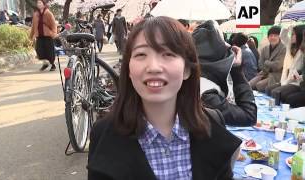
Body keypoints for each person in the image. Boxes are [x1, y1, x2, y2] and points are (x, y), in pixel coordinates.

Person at [87, 16, 241, 180]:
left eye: (168, 53)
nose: (153, 67)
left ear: (187, 70)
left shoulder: (213, 124)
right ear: (129, 70)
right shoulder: (103, 134)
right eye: (141, 54)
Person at [192, 20, 257, 127]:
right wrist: (237, 71)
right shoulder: (205, 92)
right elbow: (249, 116)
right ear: (211, 51)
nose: (227, 45)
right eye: (222, 41)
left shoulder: (200, 73)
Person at [270, 24, 305, 105]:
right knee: (269, 89)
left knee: (277, 92)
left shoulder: (302, 51)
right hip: (285, 79)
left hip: (295, 82)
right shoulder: (290, 46)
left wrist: (299, 76)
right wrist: (289, 26)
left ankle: (280, 110)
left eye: (293, 34)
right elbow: (283, 35)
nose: (291, 36)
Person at [249, 26, 286, 93]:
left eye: (275, 35)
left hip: (277, 75)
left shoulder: (284, 48)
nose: (273, 37)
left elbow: (278, 65)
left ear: (279, 37)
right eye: (271, 35)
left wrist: (266, 62)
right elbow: (260, 64)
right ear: (268, 37)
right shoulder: (265, 48)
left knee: (259, 85)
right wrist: (268, 66)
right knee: (249, 84)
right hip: (264, 73)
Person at [29, 0, 57, 71]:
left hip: (48, 35)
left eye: (40, 3)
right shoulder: (35, 14)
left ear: (44, 4)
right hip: (39, 35)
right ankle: (45, 63)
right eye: (37, 3)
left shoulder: (48, 13)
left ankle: (52, 65)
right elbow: (33, 26)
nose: (38, 4)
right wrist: (31, 35)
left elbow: (53, 24)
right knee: (39, 50)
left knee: (49, 51)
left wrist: (54, 33)